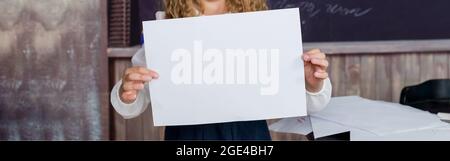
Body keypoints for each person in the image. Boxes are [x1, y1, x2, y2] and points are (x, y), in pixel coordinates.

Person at [111, 0, 332, 140]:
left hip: (249, 139)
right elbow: (132, 106)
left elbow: (313, 102)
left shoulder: (263, 27)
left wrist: (313, 85)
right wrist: (127, 93)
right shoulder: (166, 29)